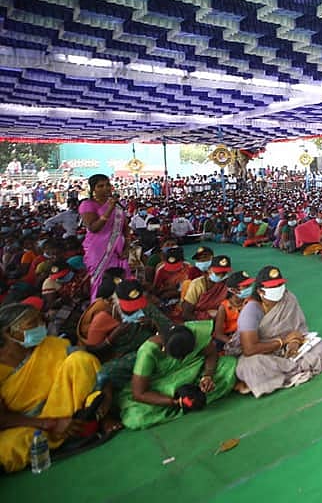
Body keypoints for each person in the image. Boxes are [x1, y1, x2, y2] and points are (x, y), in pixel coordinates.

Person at [0, 303, 117, 472]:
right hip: (31, 423)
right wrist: (49, 424)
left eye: (41, 320)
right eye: (32, 324)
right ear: (8, 333)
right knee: (8, 447)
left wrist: (106, 405)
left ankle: (83, 426)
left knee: (80, 360)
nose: (41, 326)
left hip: (69, 412)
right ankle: (71, 435)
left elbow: (95, 371)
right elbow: (2, 419)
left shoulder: (53, 345)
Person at [234, 266, 322, 398]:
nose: (279, 289)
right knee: (253, 367)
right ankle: (295, 370)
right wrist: (282, 342)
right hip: (262, 352)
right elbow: (249, 349)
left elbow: (297, 328)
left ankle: (284, 373)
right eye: (273, 287)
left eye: (280, 284)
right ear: (260, 291)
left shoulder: (288, 298)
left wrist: (293, 343)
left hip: (287, 348)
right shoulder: (251, 310)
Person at [119, 321, 236, 430]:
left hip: (194, 370)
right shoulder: (148, 351)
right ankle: (188, 401)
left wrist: (208, 376)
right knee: (136, 416)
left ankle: (194, 397)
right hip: (163, 385)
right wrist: (174, 402)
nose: (182, 359)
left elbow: (211, 354)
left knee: (230, 365)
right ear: (164, 348)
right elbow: (139, 393)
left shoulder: (197, 332)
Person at [79, 174, 130, 303]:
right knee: (102, 280)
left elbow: (125, 228)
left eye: (107, 185)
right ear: (93, 189)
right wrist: (109, 209)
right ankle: (99, 307)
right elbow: (93, 228)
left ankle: (123, 308)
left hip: (118, 250)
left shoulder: (118, 206)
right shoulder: (87, 204)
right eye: (100, 186)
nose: (106, 188)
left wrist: (127, 247)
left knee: (121, 279)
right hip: (98, 250)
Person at [181, 255, 232, 321]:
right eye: (217, 273)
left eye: (224, 273)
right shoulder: (197, 284)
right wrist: (207, 315)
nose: (221, 275)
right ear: (209, 270)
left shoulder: (228, 283)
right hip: (199, 321)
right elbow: (186, 314)